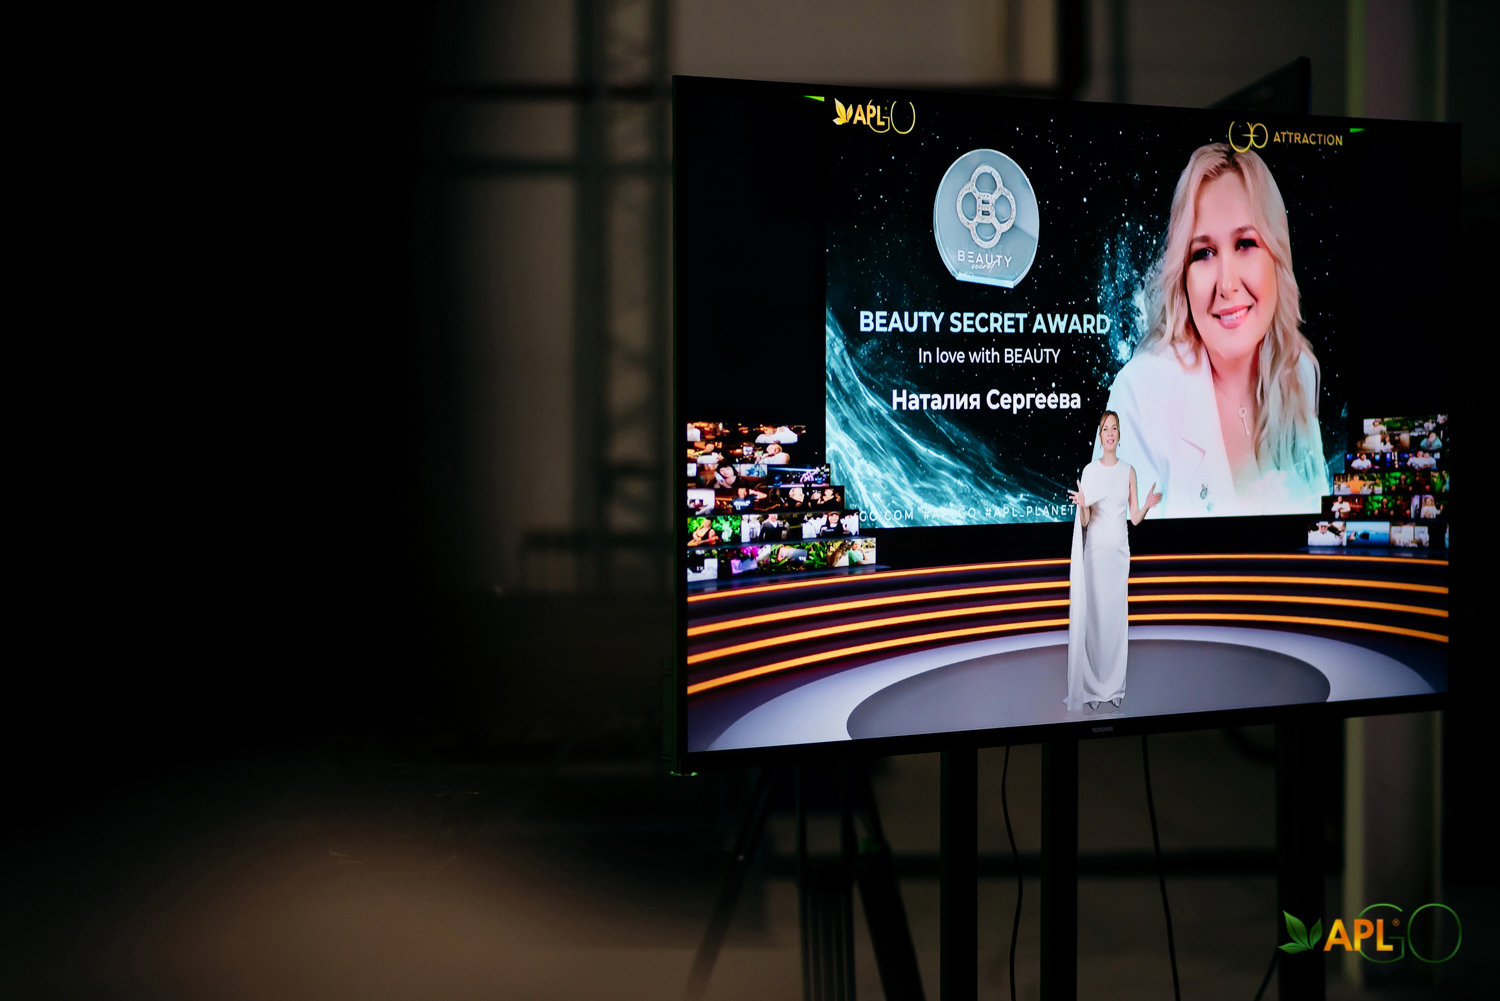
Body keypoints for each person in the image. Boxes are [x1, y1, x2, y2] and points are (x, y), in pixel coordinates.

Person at [1100, 144, 1327, 517]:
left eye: (1246, 244)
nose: (1227, 285)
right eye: (1204, 253)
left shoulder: (1300, 369)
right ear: (1182, 274)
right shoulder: (1139, 394)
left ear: (1278, 257)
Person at [1065, 412, 1160, 711]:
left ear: (1119, 435)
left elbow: (1134, 518)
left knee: (1116, 621)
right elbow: (1085, 521)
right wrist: (1082, 505)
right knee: (1095, 621)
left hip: (1119, 556)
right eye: (1105, 429)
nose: (1110, 433)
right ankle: (1093, 689)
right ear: (1100, 435)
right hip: (1095, 556)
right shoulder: (1090, 471)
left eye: (1114, 428)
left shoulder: (1129, 471)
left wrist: (1146, 505)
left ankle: (1115, 687)